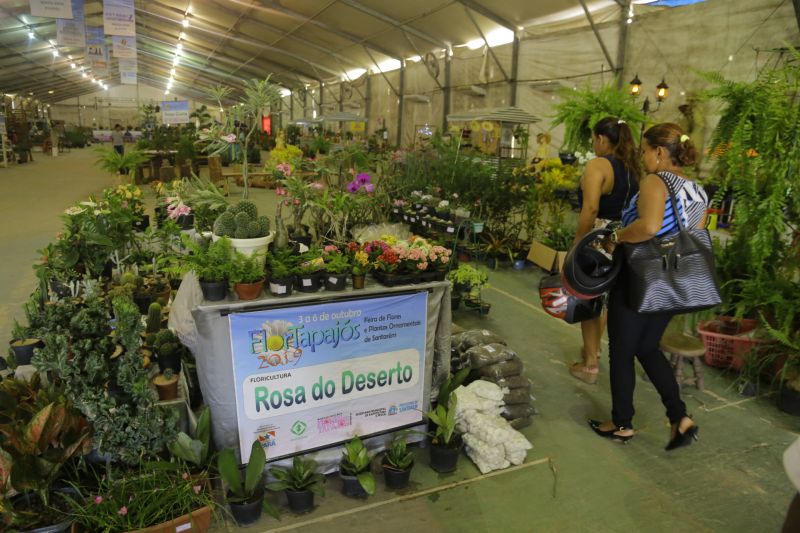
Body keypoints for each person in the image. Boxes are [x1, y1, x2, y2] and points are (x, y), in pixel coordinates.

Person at [589, 123, 706, 450]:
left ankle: (622, 423)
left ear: (659, 151)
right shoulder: (698, 190)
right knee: (647, 347)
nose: (642, 157)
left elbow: (649, 227)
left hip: (640, 274)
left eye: (644, 151)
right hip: (674, 281)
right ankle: (680, 418)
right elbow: (693, 235)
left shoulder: (657, 181)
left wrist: (615, 238)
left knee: (622, 351)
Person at [569, 117, 640, 384]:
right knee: (605, 299)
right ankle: (595, 350)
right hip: (623, 239)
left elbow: (590, 209)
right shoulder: (633, 168)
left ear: (600, 138)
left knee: (588, 299)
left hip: (599, 238)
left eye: (593, 138)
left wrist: (578, 243)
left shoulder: (599, 165)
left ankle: (589, 366)